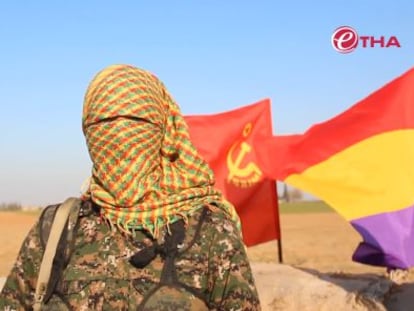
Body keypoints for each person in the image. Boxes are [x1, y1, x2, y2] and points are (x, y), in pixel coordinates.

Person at [0, 64, 261, 310]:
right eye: (104, 124)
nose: (120, 135)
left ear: (162, 130)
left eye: (135, 123)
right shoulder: (57, 228)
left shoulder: (211, 231)